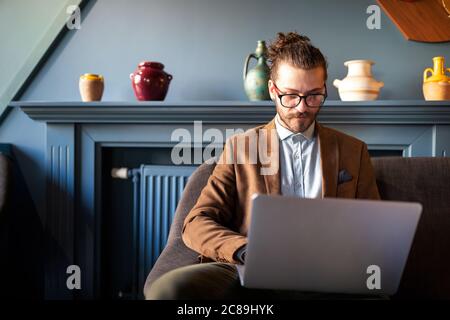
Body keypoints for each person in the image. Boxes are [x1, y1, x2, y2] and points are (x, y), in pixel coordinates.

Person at [145, 32, 380, 300]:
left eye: (314, 96)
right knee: (168, 290)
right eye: (290, 96)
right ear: (272, 90)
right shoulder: (240, 148)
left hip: (327, 273)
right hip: (251, 271)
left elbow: (373, 229)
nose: (302, 108)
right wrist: (246, 250)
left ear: (325, 88)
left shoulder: (353, 151)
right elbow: (196, 223)